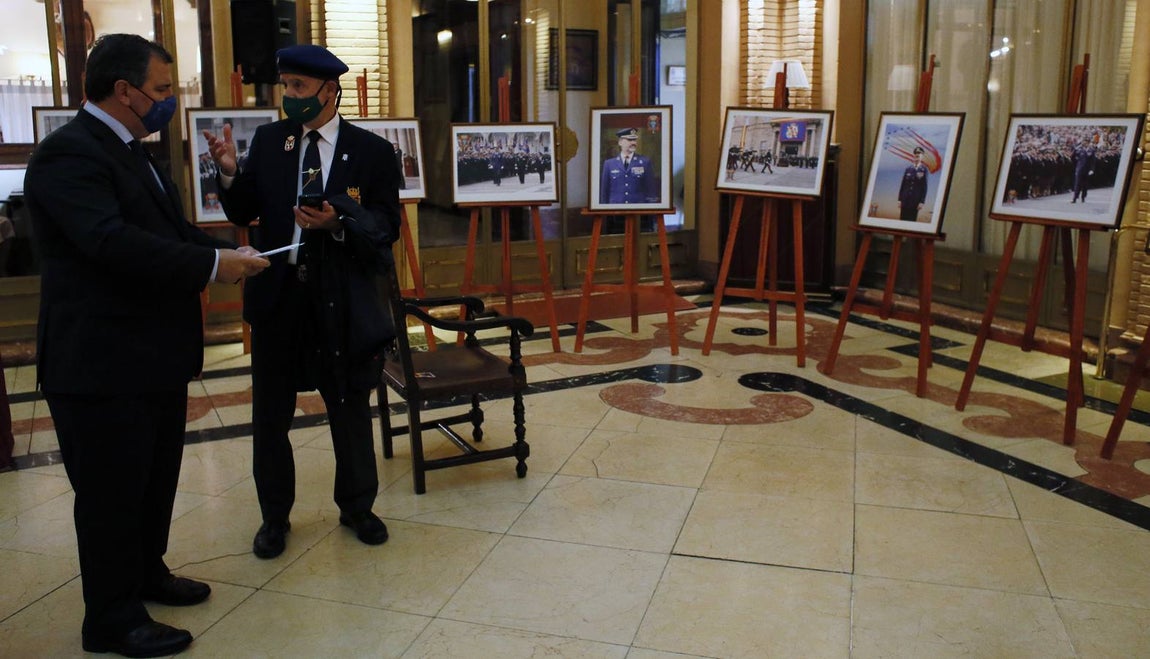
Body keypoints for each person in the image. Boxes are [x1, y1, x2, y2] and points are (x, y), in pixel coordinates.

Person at [23, 33, 269, 657]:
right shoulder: (68, 154)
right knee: (111, 494)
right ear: (124, 90)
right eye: (161, 90)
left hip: (152, 356)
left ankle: (146, 573)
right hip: (101, 362)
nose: (168, 101)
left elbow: (170, 231)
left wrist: (226, 251)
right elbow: (109, 242)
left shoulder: (133, 150)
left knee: (153, 481)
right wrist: (213, 267)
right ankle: (111, 618)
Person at [201, 44, 402, 560]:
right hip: (279, 298)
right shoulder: (272, 141)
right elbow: (244, 208)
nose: (288, 96)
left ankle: (357, 507)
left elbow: (386, 227)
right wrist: (228, 171)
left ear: (329, 90)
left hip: (341, 300)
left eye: (298, 87)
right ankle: (274, 517)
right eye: (285, 85)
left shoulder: (372, 152)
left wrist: (339, 222)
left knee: (348, 408)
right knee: (271, 416)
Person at [599, 127, 658, 205]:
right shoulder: (609, 164)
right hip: (615, 209)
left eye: (634, 140)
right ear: (620, 142)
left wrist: (651, 211)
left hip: (638, 209)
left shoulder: (645, 162)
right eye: (629, 140)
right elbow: (604, 192)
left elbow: (651, 191)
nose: (633, 143)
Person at [898, 145, 929, 222]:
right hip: (905, 200)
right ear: (913, 155)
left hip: (915, 201)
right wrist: (900, 199)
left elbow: (924, 187)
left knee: (911, 220)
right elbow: (903, 185)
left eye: (919, 154)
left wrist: (922, 201)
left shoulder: (924, 170)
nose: (917, 155)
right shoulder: (908, 169)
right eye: (915, 154)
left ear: (922, 156)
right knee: (902, 220)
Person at [1070, 134, 1096, 203]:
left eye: (1086, 142)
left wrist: (1092, 169)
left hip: (1087, 170)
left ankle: (1083, 197)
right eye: (1084, 141)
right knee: (1077, 183)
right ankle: (1075, 198)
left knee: (1085, 184)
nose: (1085, 143)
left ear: (1088, 142)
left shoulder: (1091, 150)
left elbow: (1093, 161)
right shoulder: (1078, 149)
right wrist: (1077, 165)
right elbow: (1072, 157)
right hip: (1079, 169)